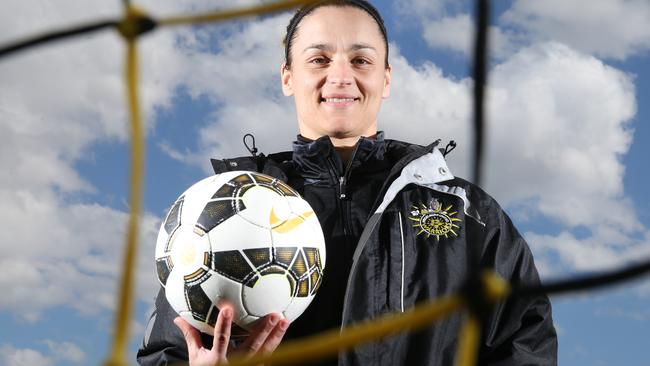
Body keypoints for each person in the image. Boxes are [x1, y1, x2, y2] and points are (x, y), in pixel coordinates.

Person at [137, 0, 558, 365]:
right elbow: (166, 353)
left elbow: (524, 344)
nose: (340, 76)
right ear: (288, 77)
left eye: (361, 60)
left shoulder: (471, 215)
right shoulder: (211, 214)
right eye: (319, 59)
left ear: (386, 78)